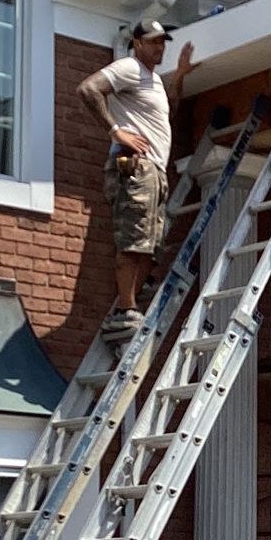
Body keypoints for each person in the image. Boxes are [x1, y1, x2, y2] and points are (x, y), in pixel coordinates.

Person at [77, 20, 198, 329]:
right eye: (154, 41)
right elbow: (88, 89)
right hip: (137, 166)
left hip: (155, 169)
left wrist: (179, 76)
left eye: (163, 42)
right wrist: (116, 132)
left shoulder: (152, 80)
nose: (160, 47)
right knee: (133, 238)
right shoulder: (129, 67)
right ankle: (125, 308)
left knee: (150, 241)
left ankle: (133, 296)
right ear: (138, 43)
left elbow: (168, 113)